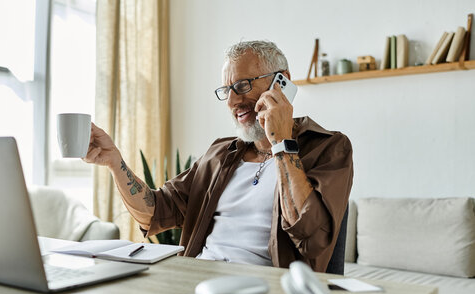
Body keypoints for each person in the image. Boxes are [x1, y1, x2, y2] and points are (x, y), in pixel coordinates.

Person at [84, 40, 353, 272]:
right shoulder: (221, 153)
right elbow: (154, 213)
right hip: (199, 281)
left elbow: (312, 237)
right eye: (227, 91)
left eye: (243, 85)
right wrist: (113, 161)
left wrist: (281, 142)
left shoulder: (330, 147)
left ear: (282, 80)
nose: (233, 101)